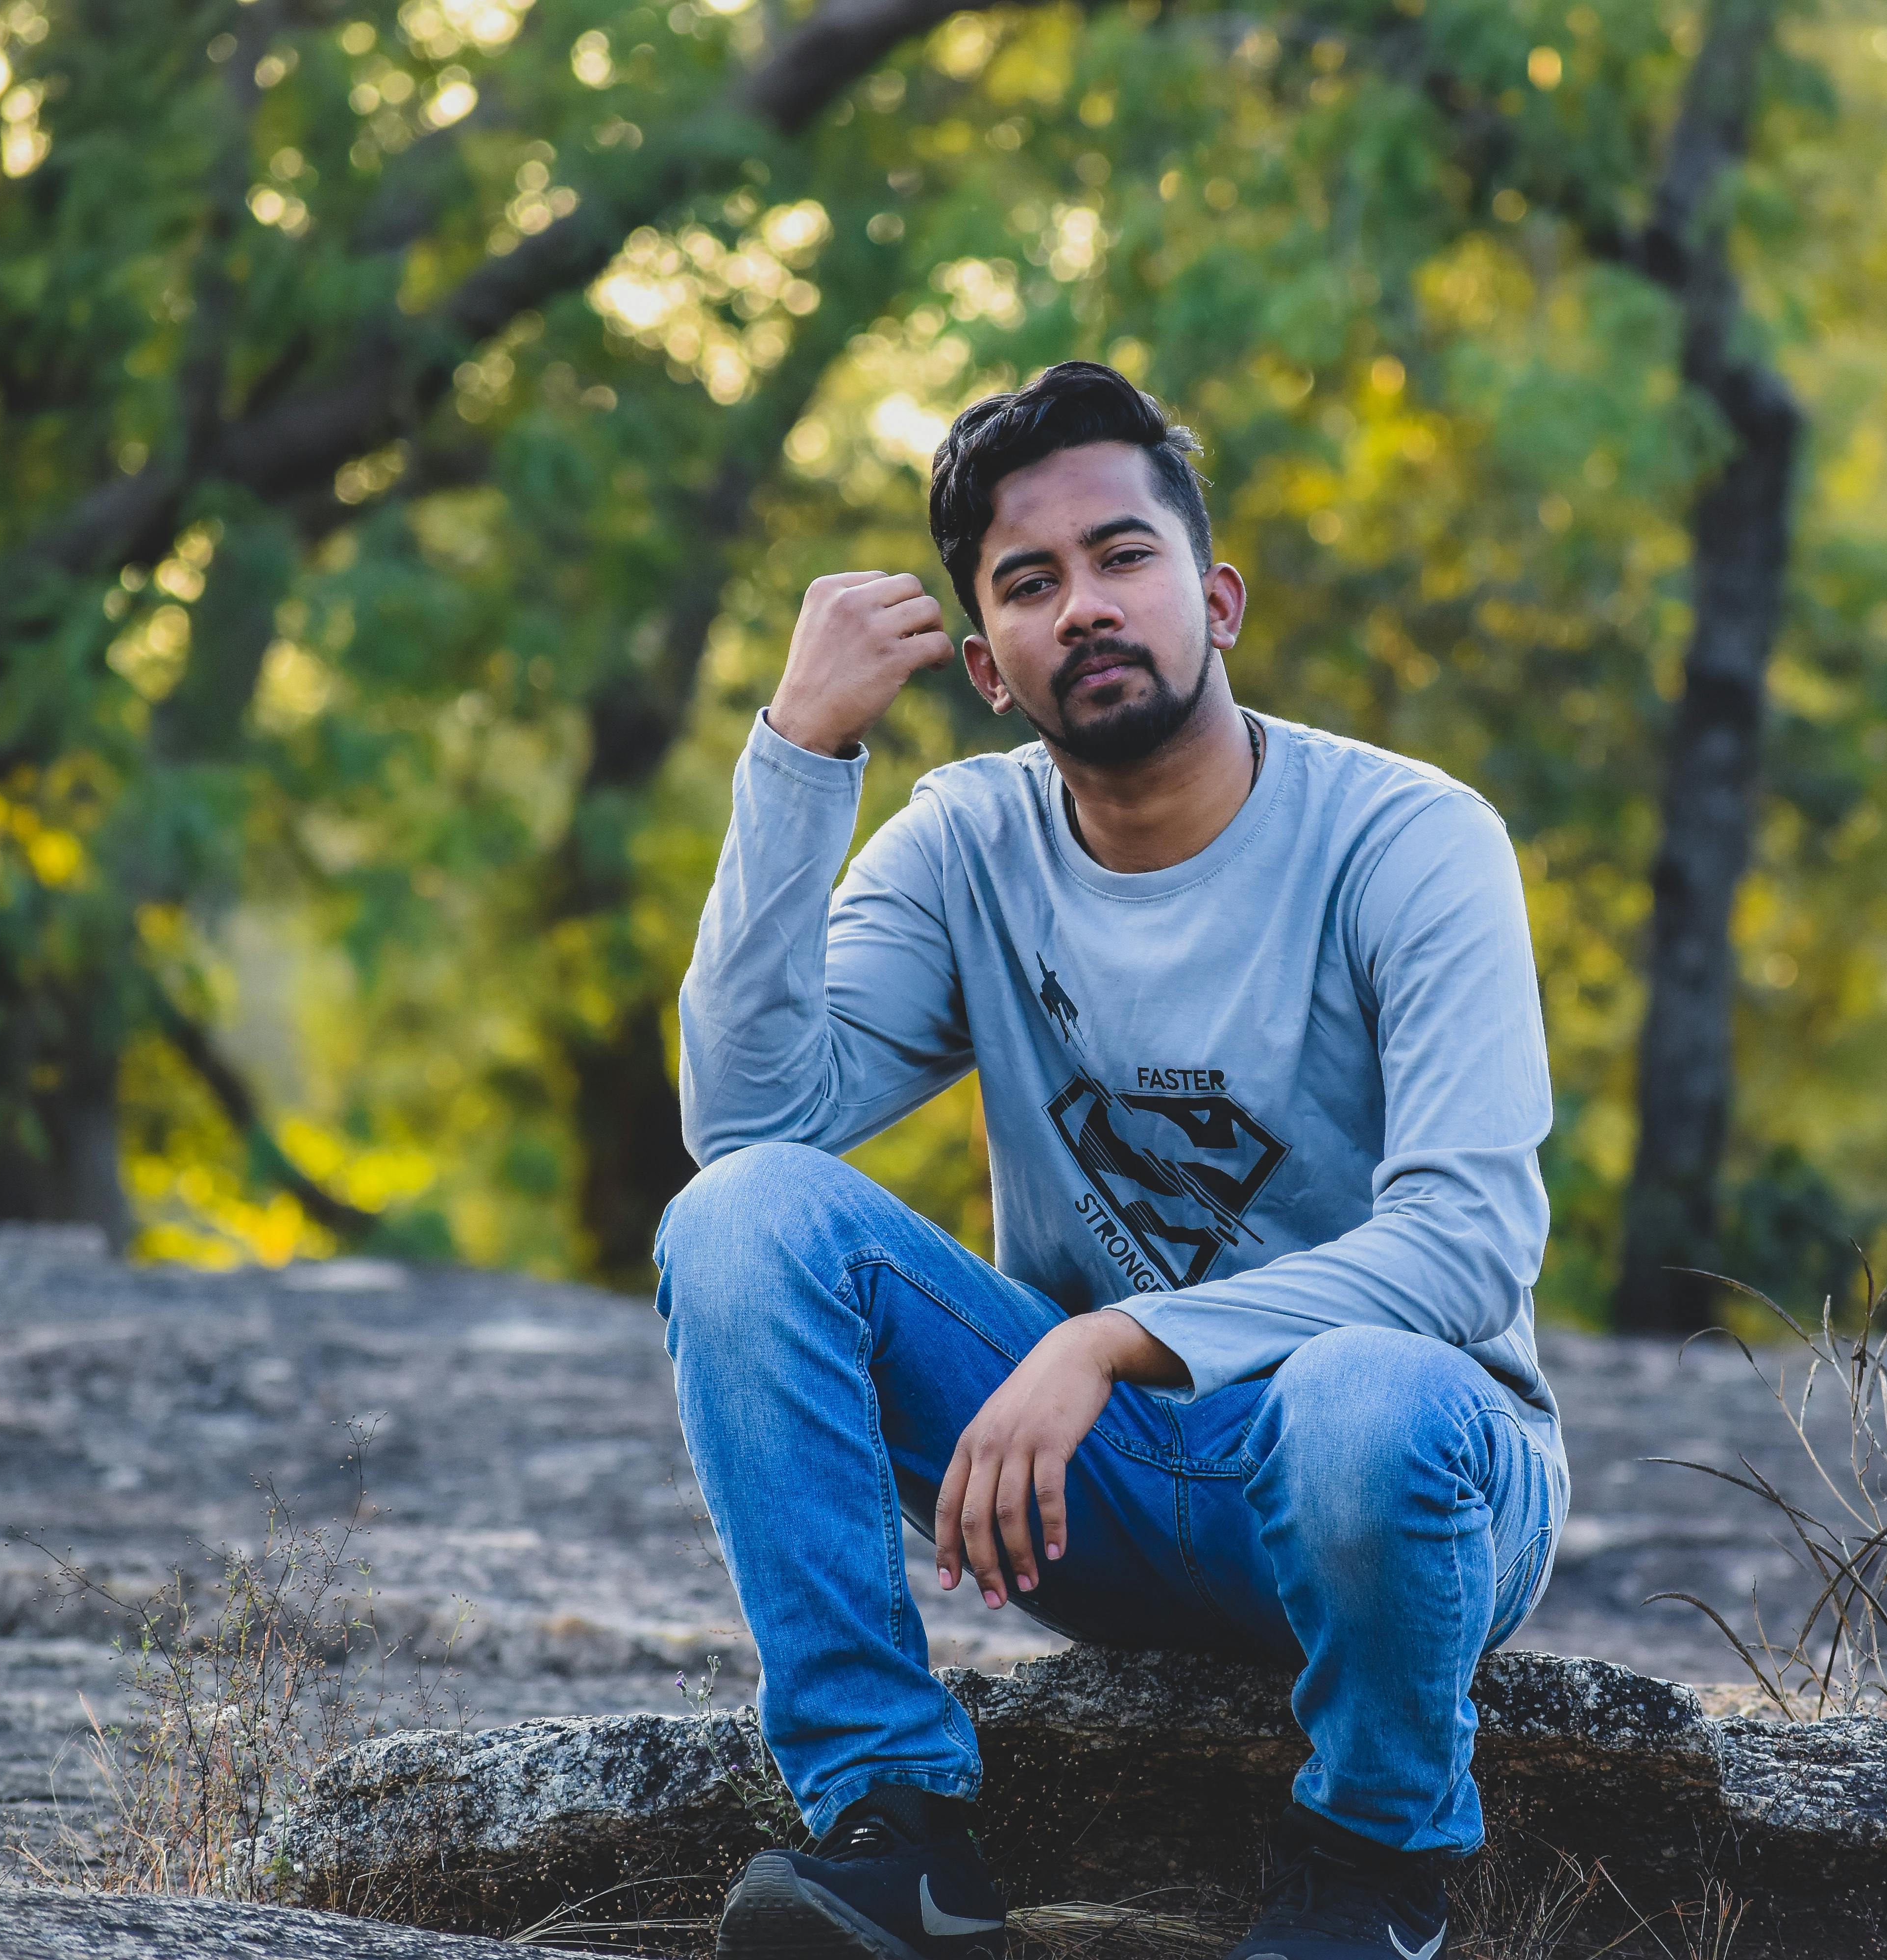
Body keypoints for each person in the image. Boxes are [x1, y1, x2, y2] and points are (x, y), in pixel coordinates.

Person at [656, 360, 1564, 1960]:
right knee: (739, 1223)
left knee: (1369, 1397)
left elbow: (1467, 1247)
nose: (1084, 603)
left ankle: (1375, 1867)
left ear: (1214, 600)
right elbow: (746, 1130)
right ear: (991, 666)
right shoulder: (965, 843)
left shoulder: (1411, 839)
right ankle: (895, 1839)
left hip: (1396, 1491)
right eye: (1029, 583)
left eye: (1122, 556)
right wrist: (797, 749)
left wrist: (1105, 1340)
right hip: (1113, 1506)